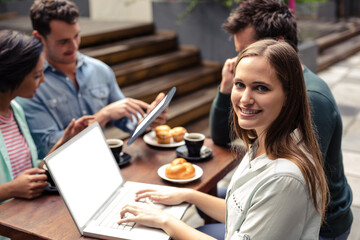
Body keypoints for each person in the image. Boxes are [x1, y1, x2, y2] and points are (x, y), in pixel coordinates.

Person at [116, 39, 329, 239]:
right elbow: (241, 212)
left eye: (261, 88)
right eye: (239, 85)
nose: (245, 99)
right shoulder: (265, 141)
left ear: (289, 96)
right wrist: (188, 195)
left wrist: (165, 221)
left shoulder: (284, 180)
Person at [209, 0, 353, 239]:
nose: (240, 60)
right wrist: (226, 88)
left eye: (248, 49)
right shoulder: (263, 103)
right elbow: (222, 137)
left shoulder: (311, 99)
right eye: (238, 52)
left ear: (278, 46)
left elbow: (290, 184)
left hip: (321, 225)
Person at [17, 0, 167, 159]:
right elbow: (47, 145)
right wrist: (102, 116)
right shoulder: (30, 84)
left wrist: (149, 121)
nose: (74, 45)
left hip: (103, 163)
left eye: (76, 36)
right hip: (58, 175)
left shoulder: (100, 70)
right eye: (63, 41)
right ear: (39, 38)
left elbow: (128, 121)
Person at [0, 29, 92, 205]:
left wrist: (62, 144)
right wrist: (11, 189)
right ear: (13, 77)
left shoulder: (16, 111)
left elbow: (29, 172)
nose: (42, 81)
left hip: (24, 218)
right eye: (36, 75)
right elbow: (17, 185)